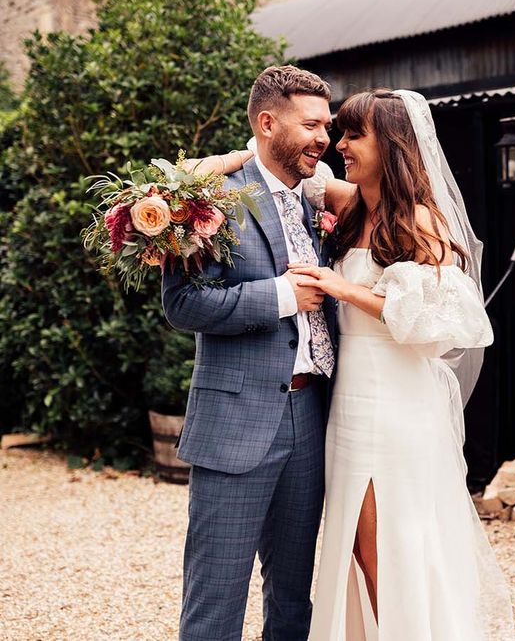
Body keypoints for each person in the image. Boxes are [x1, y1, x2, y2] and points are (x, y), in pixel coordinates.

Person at [199, 88, 515, 639]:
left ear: (390, 144)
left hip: (393, 406)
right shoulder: (350, 205)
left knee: (383, 551)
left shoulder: (416, 217)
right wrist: (213, 169)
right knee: (349, 550)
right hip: (345, 406)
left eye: (351, 134)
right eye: (333, 130)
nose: (337, 144)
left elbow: (445, 322)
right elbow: (271, 159)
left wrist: (341, 288)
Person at [162, 65, 337, 641]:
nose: (324, 138)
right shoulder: (210, 200)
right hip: (236, 422)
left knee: (293, 598)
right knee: (216, 599)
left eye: (327, 126)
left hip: (311, 417)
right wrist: (283, 295)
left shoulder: (320, 198)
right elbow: (184, 304)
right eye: (311, 125)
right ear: (267, 123)